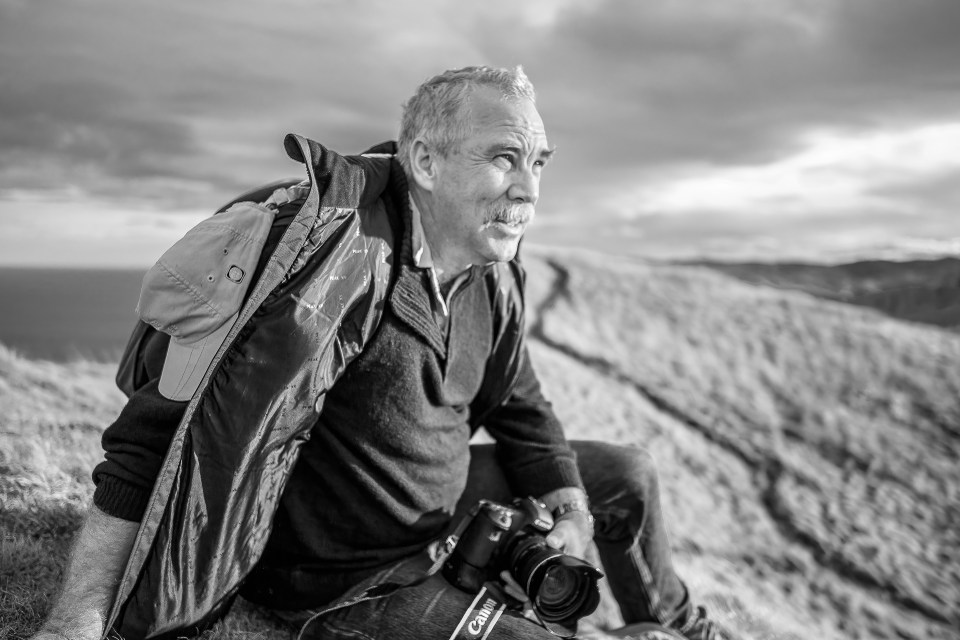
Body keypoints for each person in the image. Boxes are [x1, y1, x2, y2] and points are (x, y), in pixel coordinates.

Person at [30, 66, 737, 640]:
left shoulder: (492, 273)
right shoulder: (320, 259)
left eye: (538, 163)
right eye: (503, 158)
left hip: (445, 515)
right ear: (424, 161)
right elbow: (154, 439)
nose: (529, 189)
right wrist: (72, 625)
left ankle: (678, 627)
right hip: (345, 581)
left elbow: (522, 406)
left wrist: (570, 508)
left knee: (628, 474)